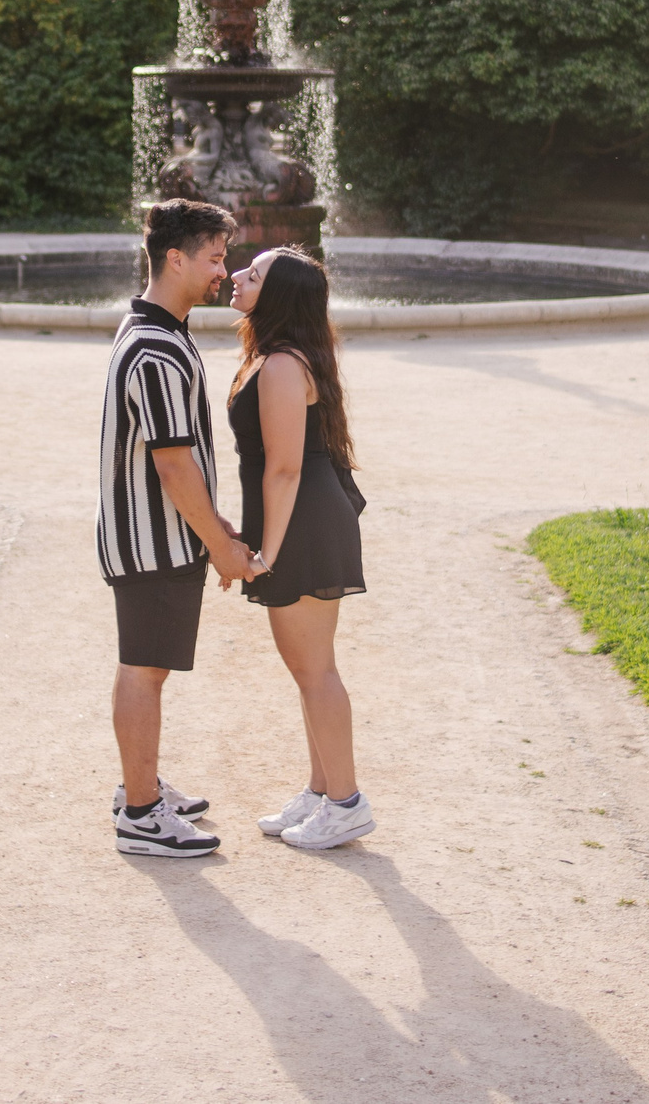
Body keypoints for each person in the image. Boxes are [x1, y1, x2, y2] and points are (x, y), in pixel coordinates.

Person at [101, 198, 256, 857]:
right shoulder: (156, 347)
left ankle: (140, 785)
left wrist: (214, 530)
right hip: (154, 540)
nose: (223, 270)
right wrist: (221, 542)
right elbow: (173, 465)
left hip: (152, 537)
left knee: (147, 666)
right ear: (176, 256)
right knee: (145, 668)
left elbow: (179, 456)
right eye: (215, 257)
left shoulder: (156, 332)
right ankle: (139, 812)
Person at [226, 246, 373, 850]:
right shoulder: (283, 356)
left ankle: (347, 803)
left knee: (315, 671)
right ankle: (321, 792)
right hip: (302, 520)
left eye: (253, 274)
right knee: (308, 669)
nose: (237, 276)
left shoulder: (284, 366)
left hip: (301, 525)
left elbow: (284, 470)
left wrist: (265, 554)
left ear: (278, 295)